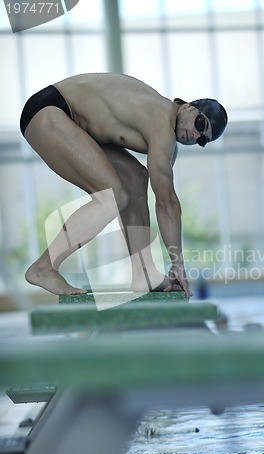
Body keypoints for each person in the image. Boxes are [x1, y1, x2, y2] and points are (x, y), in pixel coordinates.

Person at [20, 73, 228, 300]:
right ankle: (43, 267)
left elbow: (165, 199)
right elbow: (166, 202)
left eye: (201, 140)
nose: (194, 135)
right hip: (50, 112)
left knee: (136, 179)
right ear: (188, 107)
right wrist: (178, 265)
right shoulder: (162, 120)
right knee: (114, 196)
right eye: (200, 124)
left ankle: (144, 273)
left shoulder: (166, 138)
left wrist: (175, 262)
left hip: (71, 121)